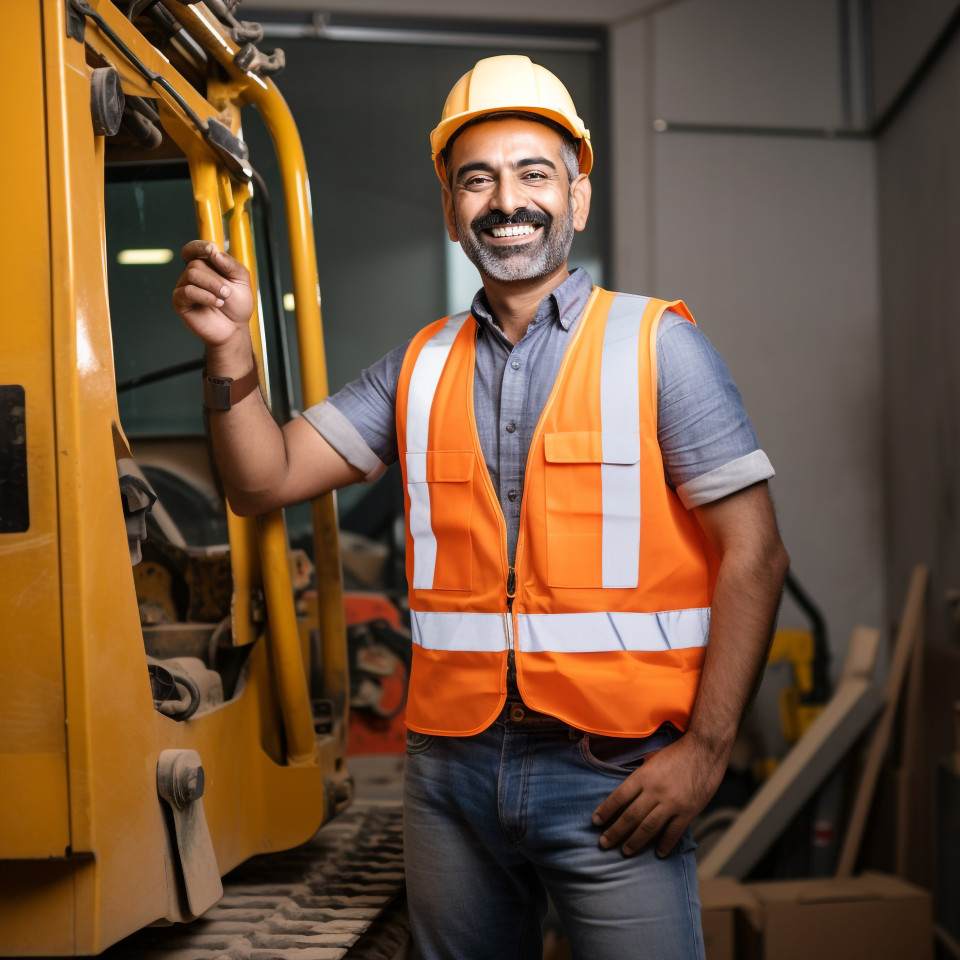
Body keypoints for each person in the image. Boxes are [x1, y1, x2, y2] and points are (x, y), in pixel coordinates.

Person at [173, 54, 789, 960]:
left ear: (577, 197)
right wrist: (230, 352)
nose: (508, 199)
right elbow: (262, 479)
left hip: (613, 776)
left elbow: (757, 554)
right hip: (450, 775)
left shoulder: (662, 348)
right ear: (454, 208)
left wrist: (706, 749)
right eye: (479, 179)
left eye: (534, 174)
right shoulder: (416, 367)